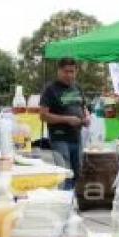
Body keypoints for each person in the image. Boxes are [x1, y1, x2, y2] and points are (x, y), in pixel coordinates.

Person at [39, 58, 90, 189]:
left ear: (76, 72)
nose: (69, 75)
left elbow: (84, 107)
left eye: (72, 72)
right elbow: (43, 115)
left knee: (78, 172)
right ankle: (65, 203)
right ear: (59, 71)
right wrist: (67, 119)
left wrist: (86, 117)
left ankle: (76, 203)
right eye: (66, 72)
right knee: (64, 173)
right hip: (59, 138)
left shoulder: (77, 87)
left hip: (76, 137)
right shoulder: (50, 89)